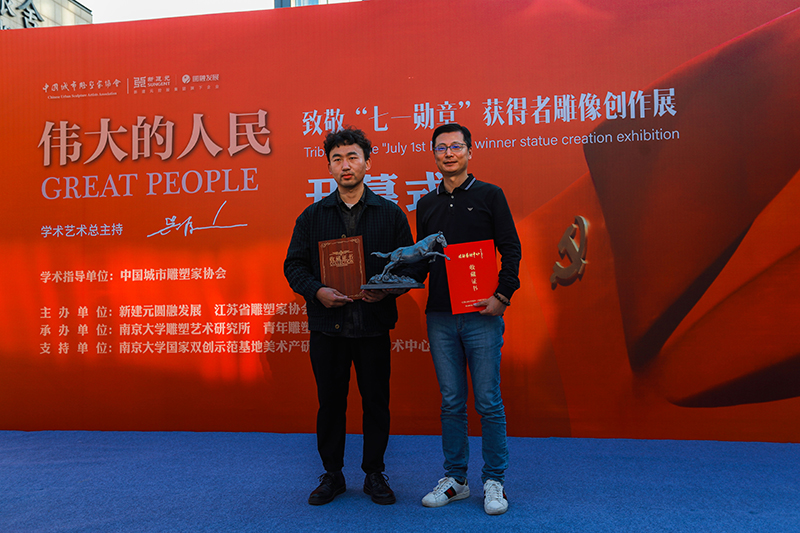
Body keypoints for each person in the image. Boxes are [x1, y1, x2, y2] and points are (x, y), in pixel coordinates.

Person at [284, 127, 413, 506]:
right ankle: (333, 474)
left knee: (376, 403)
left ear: (367, 163)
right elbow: (294, 265)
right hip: (329, 328)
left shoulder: (390, 214)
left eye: (353, 157)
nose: (345, 165)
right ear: (328, 167)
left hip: (373, 326)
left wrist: (387, 289)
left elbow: (411, 266)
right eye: (337, 159)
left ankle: (374, 473)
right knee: (330, 404)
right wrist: (317, 291)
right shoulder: (312, 216)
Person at [415, 123, 521, 515]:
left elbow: (511, 248)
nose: (449, 153)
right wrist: (390, 281)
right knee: (451, 401)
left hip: (481, 314)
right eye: (441, 148)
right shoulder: (426, 204)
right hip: (440, 316)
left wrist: (503, 295)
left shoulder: (490, 195)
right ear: (434, 155)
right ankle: (456, 480)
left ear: (469, 152)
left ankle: (494, 480)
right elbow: (422, 260)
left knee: (488, 401)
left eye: (456, 146)